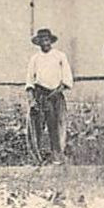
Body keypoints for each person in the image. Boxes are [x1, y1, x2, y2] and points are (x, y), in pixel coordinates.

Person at [25, 27, 72, 163]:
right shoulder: (35, 59)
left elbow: (67, 78)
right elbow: (29, 81)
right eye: (42, 40)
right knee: (37, 126)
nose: (45, 42)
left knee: (56, 125)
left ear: (50, 41)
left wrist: (57, 91)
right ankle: (37, 157)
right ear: (38, 42)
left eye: (47, 39)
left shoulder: (60, 56)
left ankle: (57, 155)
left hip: (55, 94)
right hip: (40, 94)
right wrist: (32, 100)